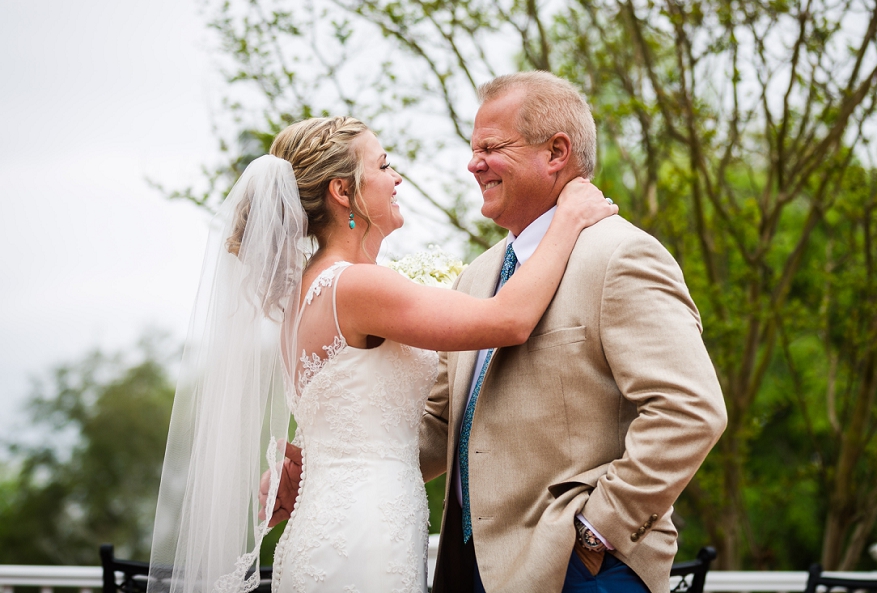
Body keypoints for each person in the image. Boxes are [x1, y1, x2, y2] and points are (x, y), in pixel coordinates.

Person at [272, 72, 728, 593]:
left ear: (557, 152)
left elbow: (690, 410)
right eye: (473, 148)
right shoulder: (477, 275)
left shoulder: (621, 256)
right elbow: (442, 423)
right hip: (465, 571)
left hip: (579, 571)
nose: (472, 163)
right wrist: (326, 462)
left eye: (490, 147)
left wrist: (600, 530)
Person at [148, 115, 616, 593]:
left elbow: (355, 422)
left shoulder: (305, 291)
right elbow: (509, 321)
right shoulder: (356, 284)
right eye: (384, 165)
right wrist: (569, 218)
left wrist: (305, 463)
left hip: (335, 517)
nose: (397, 179)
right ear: (343, 191)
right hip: (364, 532)